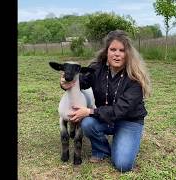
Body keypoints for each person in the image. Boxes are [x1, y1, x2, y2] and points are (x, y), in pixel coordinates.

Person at [60, 30, 151, 172]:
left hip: (129, 120)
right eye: (113, 49)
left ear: (128, 54)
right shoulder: (97, 69)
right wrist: (65, 83)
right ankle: (101, 150)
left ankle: (125, 138)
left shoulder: (135, 78)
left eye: (121, 50)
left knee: (123, 164)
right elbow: (80, 82)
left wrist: (90, 111)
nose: (117, 54)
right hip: (105, 117)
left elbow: (121, 110)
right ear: (106, 51)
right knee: (87, 122)